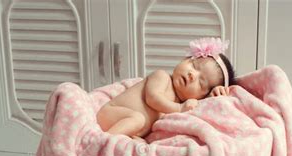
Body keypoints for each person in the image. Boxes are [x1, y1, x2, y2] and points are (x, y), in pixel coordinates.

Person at [96, 37, 237, 142]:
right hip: (112, 113)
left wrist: (214, 95)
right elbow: (153, 98)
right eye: (194, 65)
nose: (192, 75)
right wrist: (180, 108)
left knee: (139, 143)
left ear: (202, 96)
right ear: (185, 58)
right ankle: (101, 145)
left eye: (201, 83)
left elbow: (201, 109)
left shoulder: (183, 104)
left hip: (129, 128)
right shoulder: (162, 76)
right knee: (137, 119)